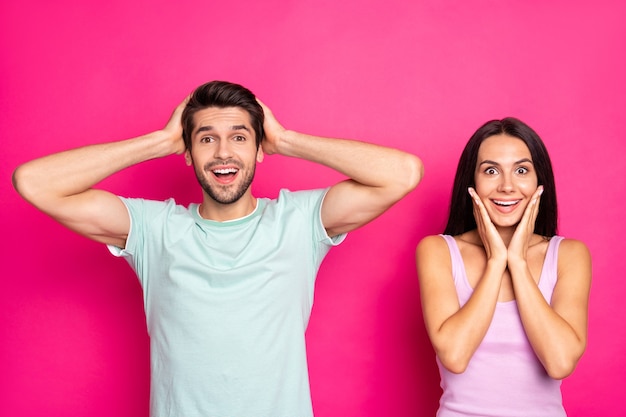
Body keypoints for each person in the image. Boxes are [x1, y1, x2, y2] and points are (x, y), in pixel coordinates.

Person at [13, 80, 423, 417]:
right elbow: (34, 182)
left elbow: (402, 174)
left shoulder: (298, 221)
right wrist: (158, 141)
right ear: (188, 153)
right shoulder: (154, 228)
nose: (224, 152)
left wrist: (285, 138)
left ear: (259, 149)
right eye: (206, 139)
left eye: (240, 137)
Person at [415, 118, 591, 417]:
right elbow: (455, 357)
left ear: (539, 181)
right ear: (472, 182)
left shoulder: (569, 255)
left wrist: (518, 262)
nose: (507, 186)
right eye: (491, 170)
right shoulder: (438, 251)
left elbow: (560, 362)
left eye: (521, 170)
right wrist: (497, 261)